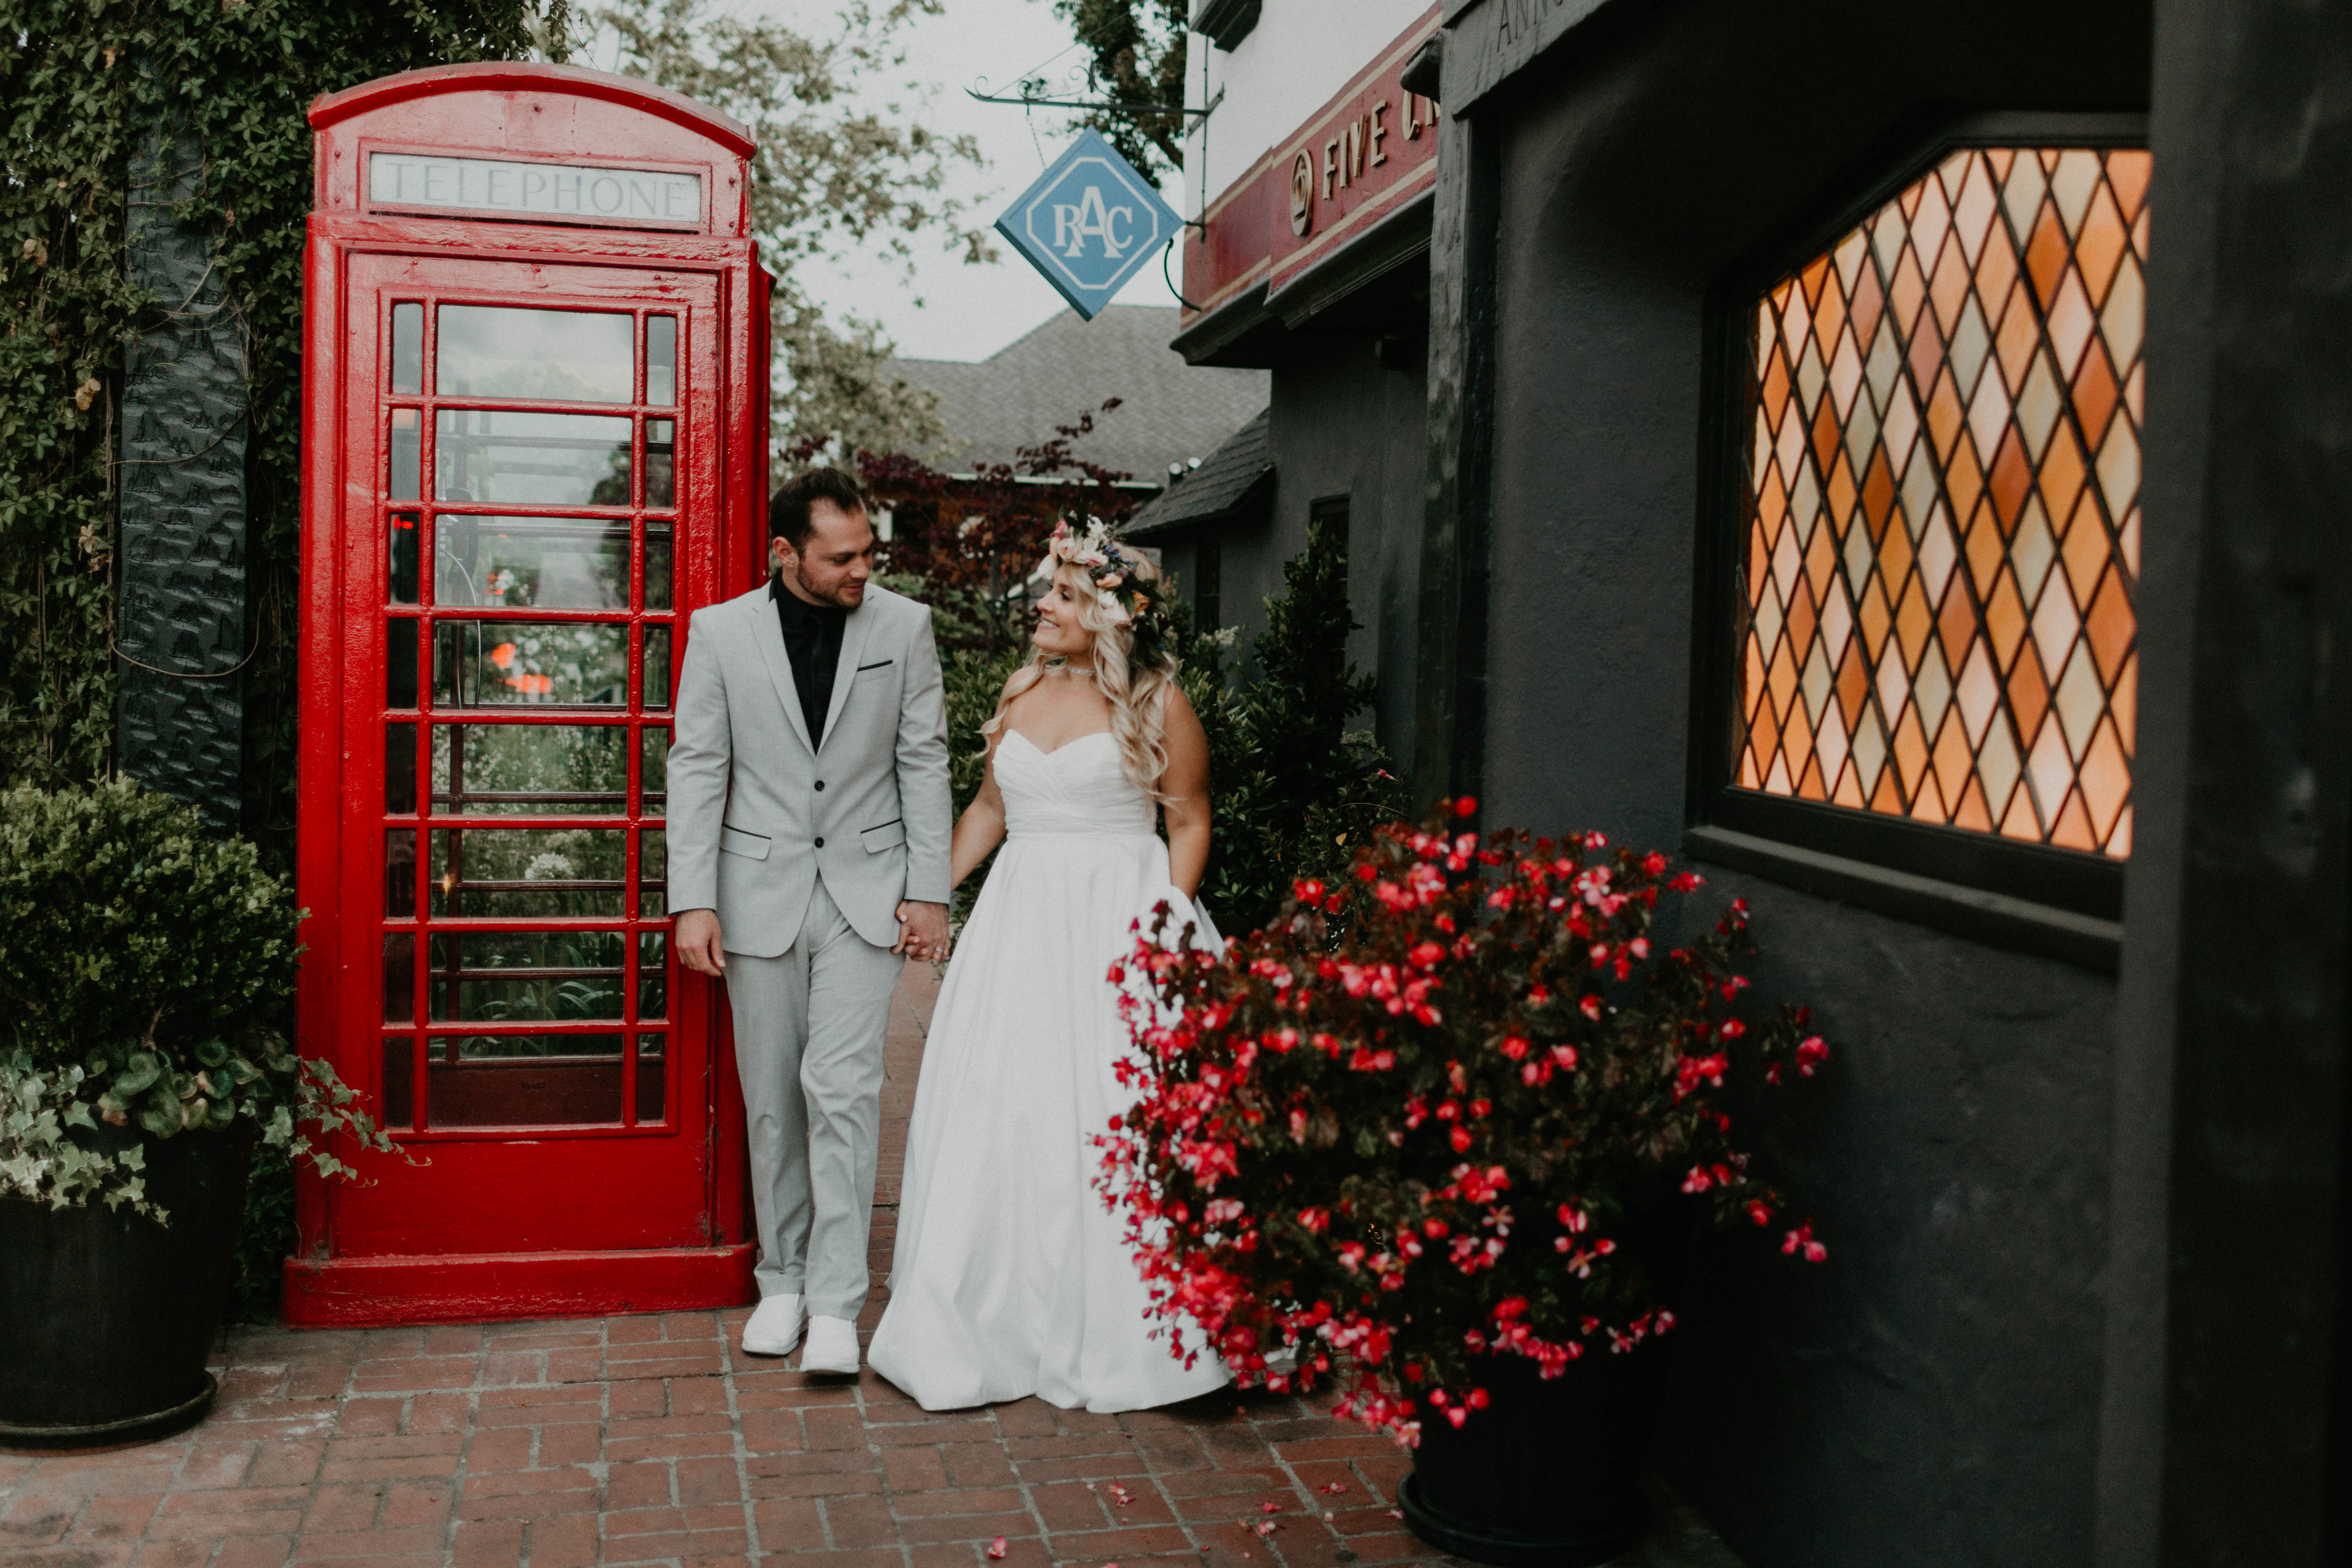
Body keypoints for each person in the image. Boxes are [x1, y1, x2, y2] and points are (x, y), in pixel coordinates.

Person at [868, 518, 1231, 1413]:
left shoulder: (1156, 704)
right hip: (1020, 926)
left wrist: (1164, 925)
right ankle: (996, 1320)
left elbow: (1187, 820)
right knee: (1006, 1104)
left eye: (1064, 594)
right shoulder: (1021, 688)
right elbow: (990, 808)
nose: (1044, 603)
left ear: (1108, 613)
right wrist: (925, 893)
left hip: (1121, 918)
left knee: (1120, 1111)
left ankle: (1146, 1331)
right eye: (1048, 590)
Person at [667, 467, 953, 1375]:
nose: (861, 571)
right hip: (756, 894)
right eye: (842, 558)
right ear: (785, 552)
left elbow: (923, 759)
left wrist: (930, 888)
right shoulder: (718, 633)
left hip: (867, 891)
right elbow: (698, 764)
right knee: (773, 1102)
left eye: (869, 552)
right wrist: (693, 898)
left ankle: (834, 1303)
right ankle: (780, 1280)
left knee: (842, 1090)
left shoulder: (903, 627)